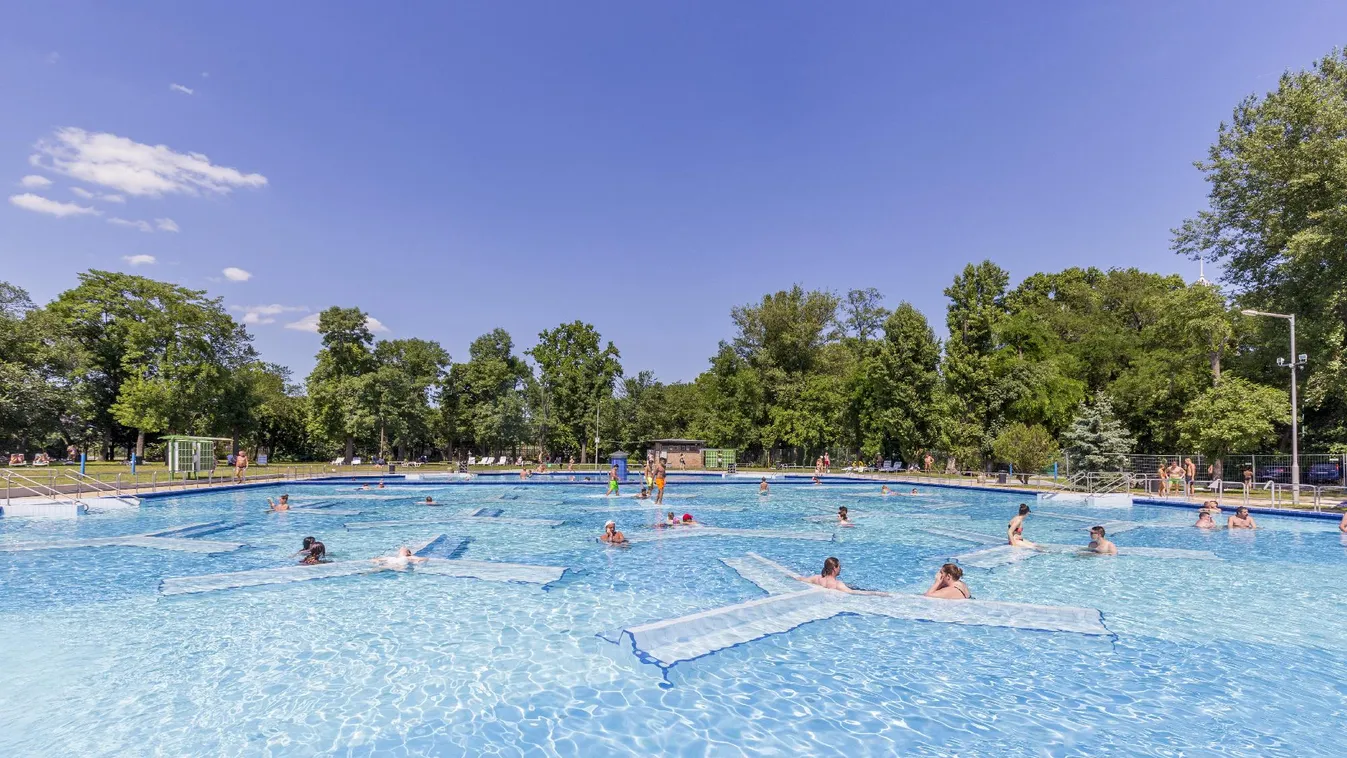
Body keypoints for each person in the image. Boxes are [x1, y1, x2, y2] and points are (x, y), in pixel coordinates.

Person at [796, 557, 888, 596]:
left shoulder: (816, 578)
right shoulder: (838, 584)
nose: (841, 568)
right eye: (839, 566)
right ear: (834, 568)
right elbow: (853, 593)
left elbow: (801, 579)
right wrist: (878, 593)